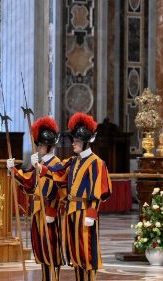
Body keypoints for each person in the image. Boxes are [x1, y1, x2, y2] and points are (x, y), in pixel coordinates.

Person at [37, 112, 112, 281]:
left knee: (87, 253)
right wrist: (40, 167)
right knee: (75, 253)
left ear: (85, 142)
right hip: (71, 211)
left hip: (85, 211)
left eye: (77, 141)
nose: (73, 144)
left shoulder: (96, 162)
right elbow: (58, 173)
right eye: (74, 140)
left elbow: (98, 190)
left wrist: (92, 213)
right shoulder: (73, 161)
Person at [6, 116, 63, 281]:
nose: (40, 147)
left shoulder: (57, 164)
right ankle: (46, 278)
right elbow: (29, 182)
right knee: (41, 248)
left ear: (50, 146)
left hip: (50, 212)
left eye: (43, 145)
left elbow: (59, 189)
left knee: (52, 247)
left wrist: (51, 210)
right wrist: (13, 170)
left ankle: (55, 278)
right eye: (39, 144)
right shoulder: (37, 164)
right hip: (37, 210)